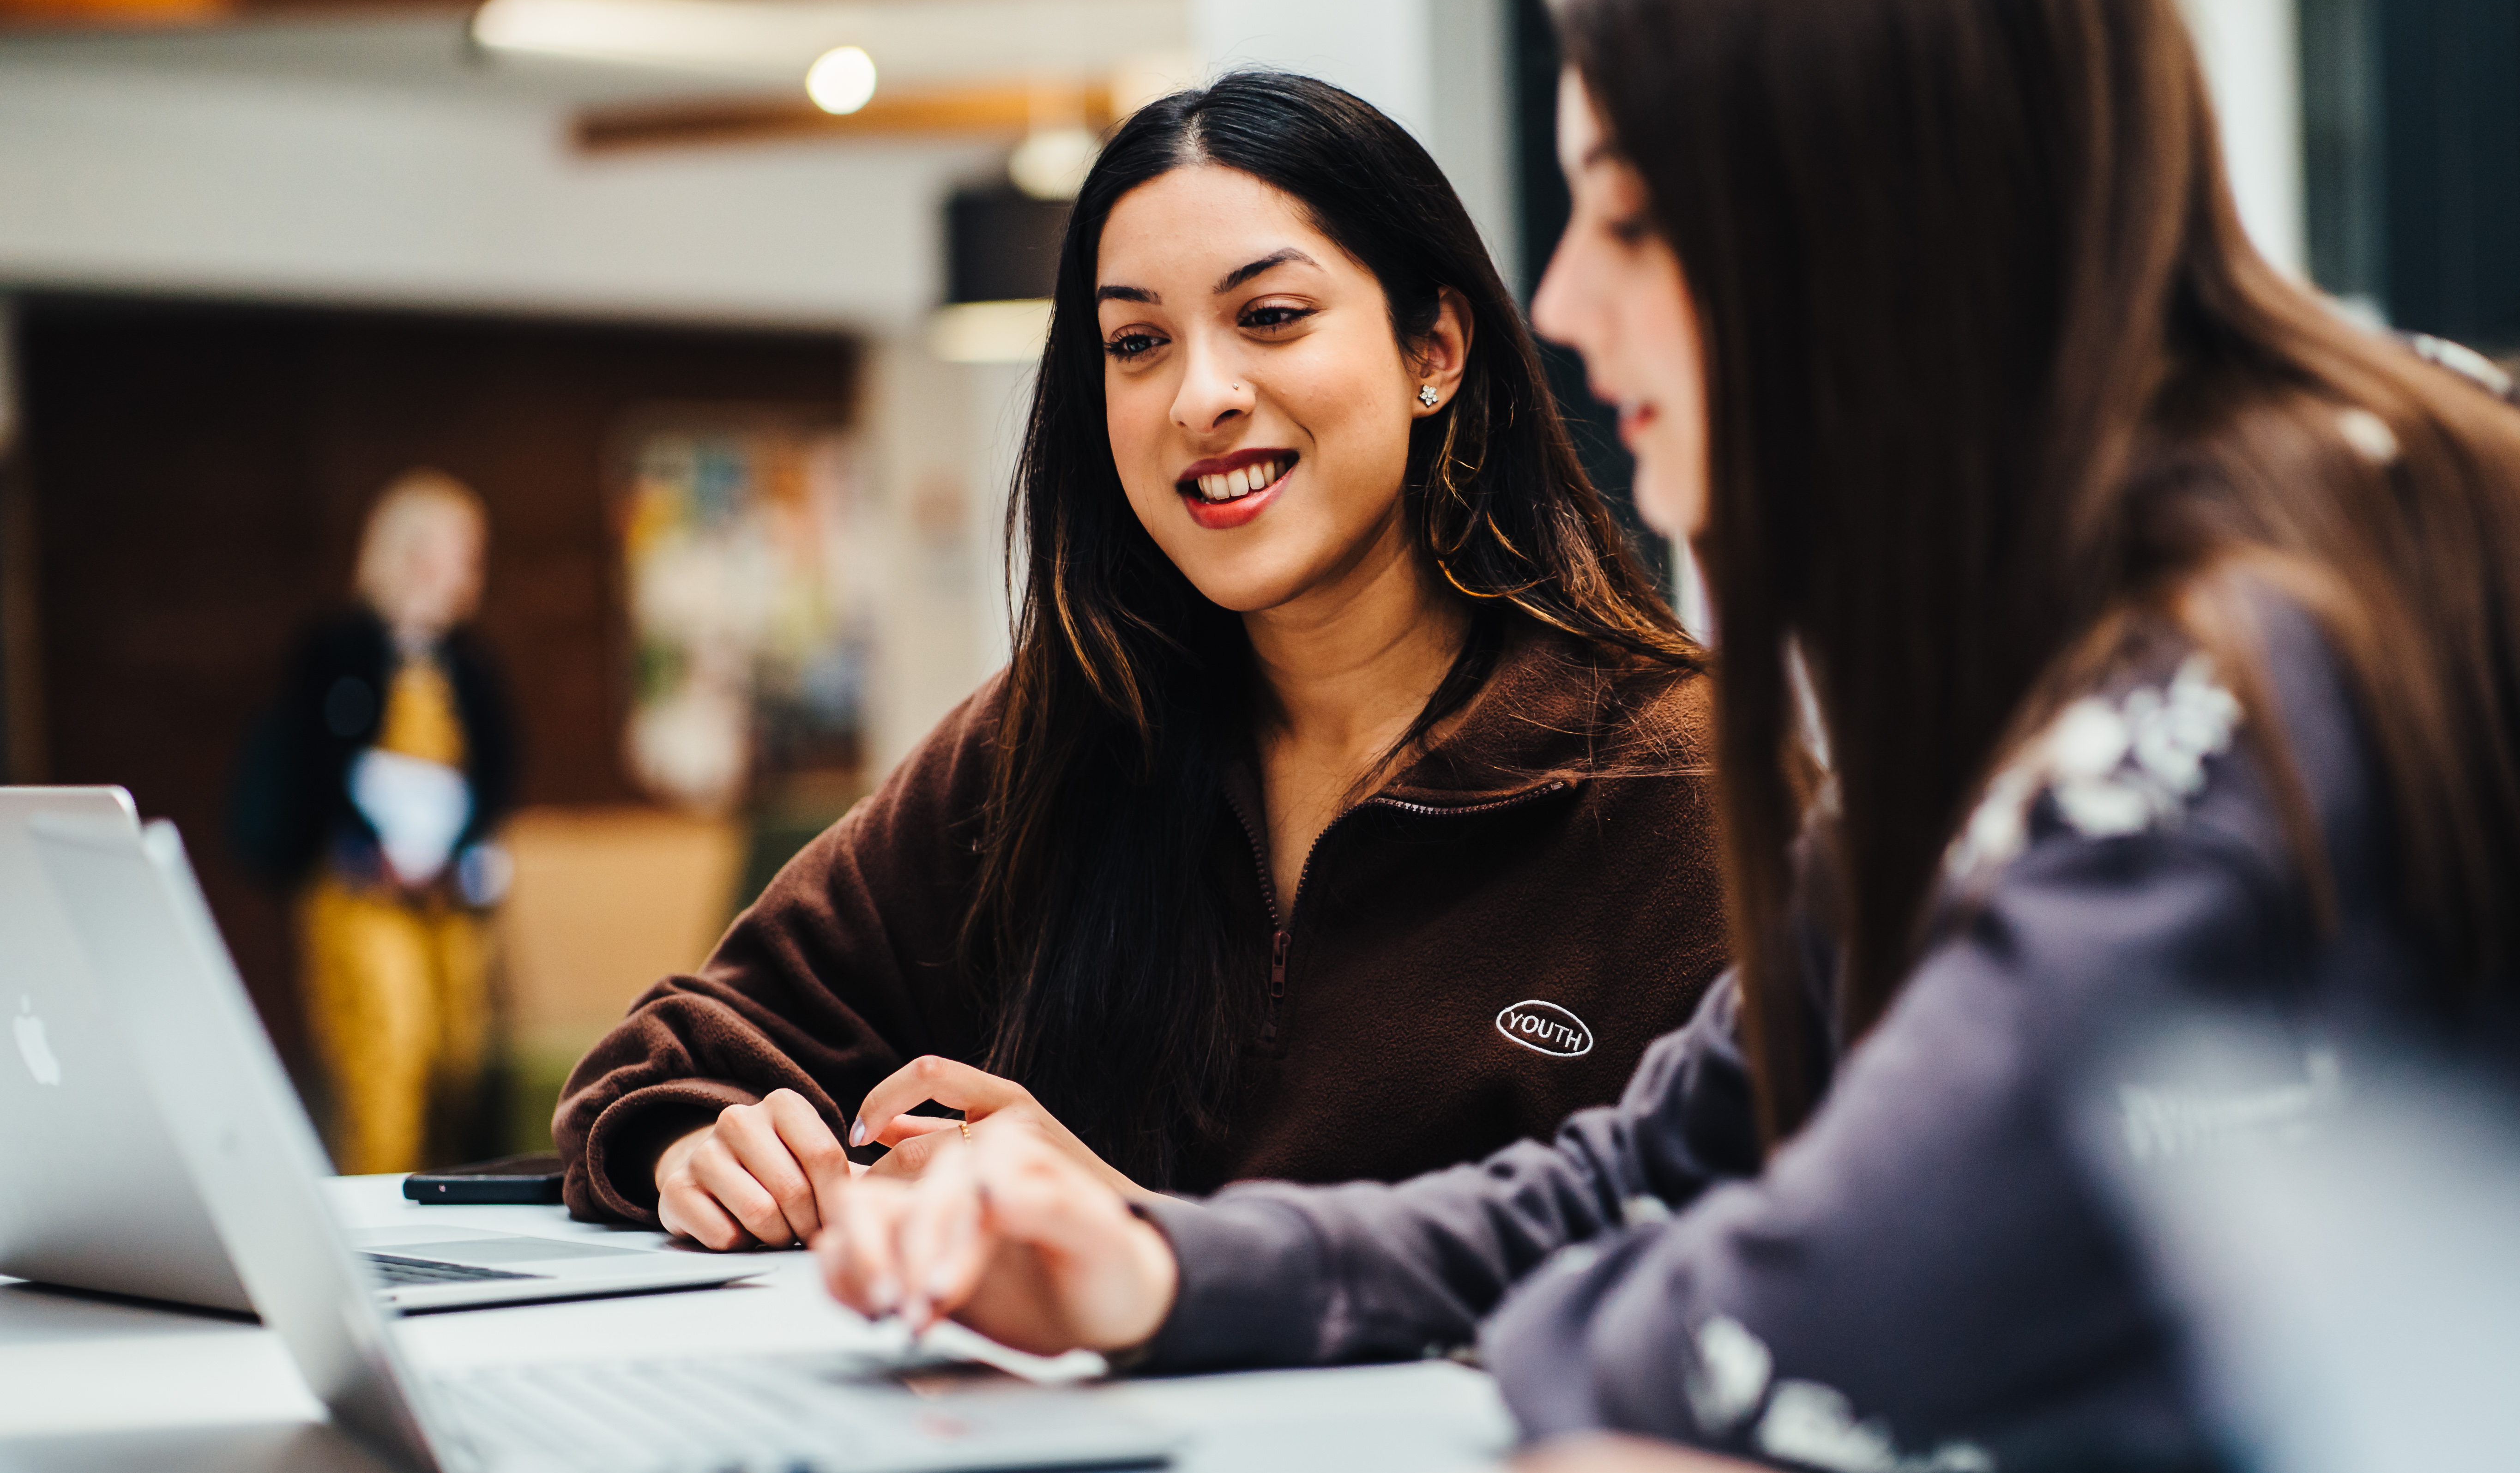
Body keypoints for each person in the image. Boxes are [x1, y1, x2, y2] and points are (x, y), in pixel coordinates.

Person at [814, 0, 2520, 1473]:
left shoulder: (2239, 677)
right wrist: (1161, 1267)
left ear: (1876, 236)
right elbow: (1660, 1170)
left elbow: (1786, 1311)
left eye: (1636, 225)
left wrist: (1688, 1436)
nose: (1564, 305)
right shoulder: (2031, 655)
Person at [555, 72, 1720, 1249]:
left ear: (1436, 347)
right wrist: (703, 1141)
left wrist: (1137, 1234)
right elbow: (673, 1054)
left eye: (1270, 317)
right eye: (1138, 342)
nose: (1199, 399)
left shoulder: (1678, 781)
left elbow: (1764, 1294)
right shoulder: (1063, 729)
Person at [232, 468, 520, 1176]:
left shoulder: (470, 662)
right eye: (465, 552)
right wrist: (375, 847)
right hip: (357, 891)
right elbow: (314, 767)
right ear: (417, 552)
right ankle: (376, 1221)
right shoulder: (336, 648)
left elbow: (497, 772)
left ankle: (447, 1211)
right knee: (384, 1049)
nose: (473, 572)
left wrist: (448, 851)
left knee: (454, 1060)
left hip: (445, 896)